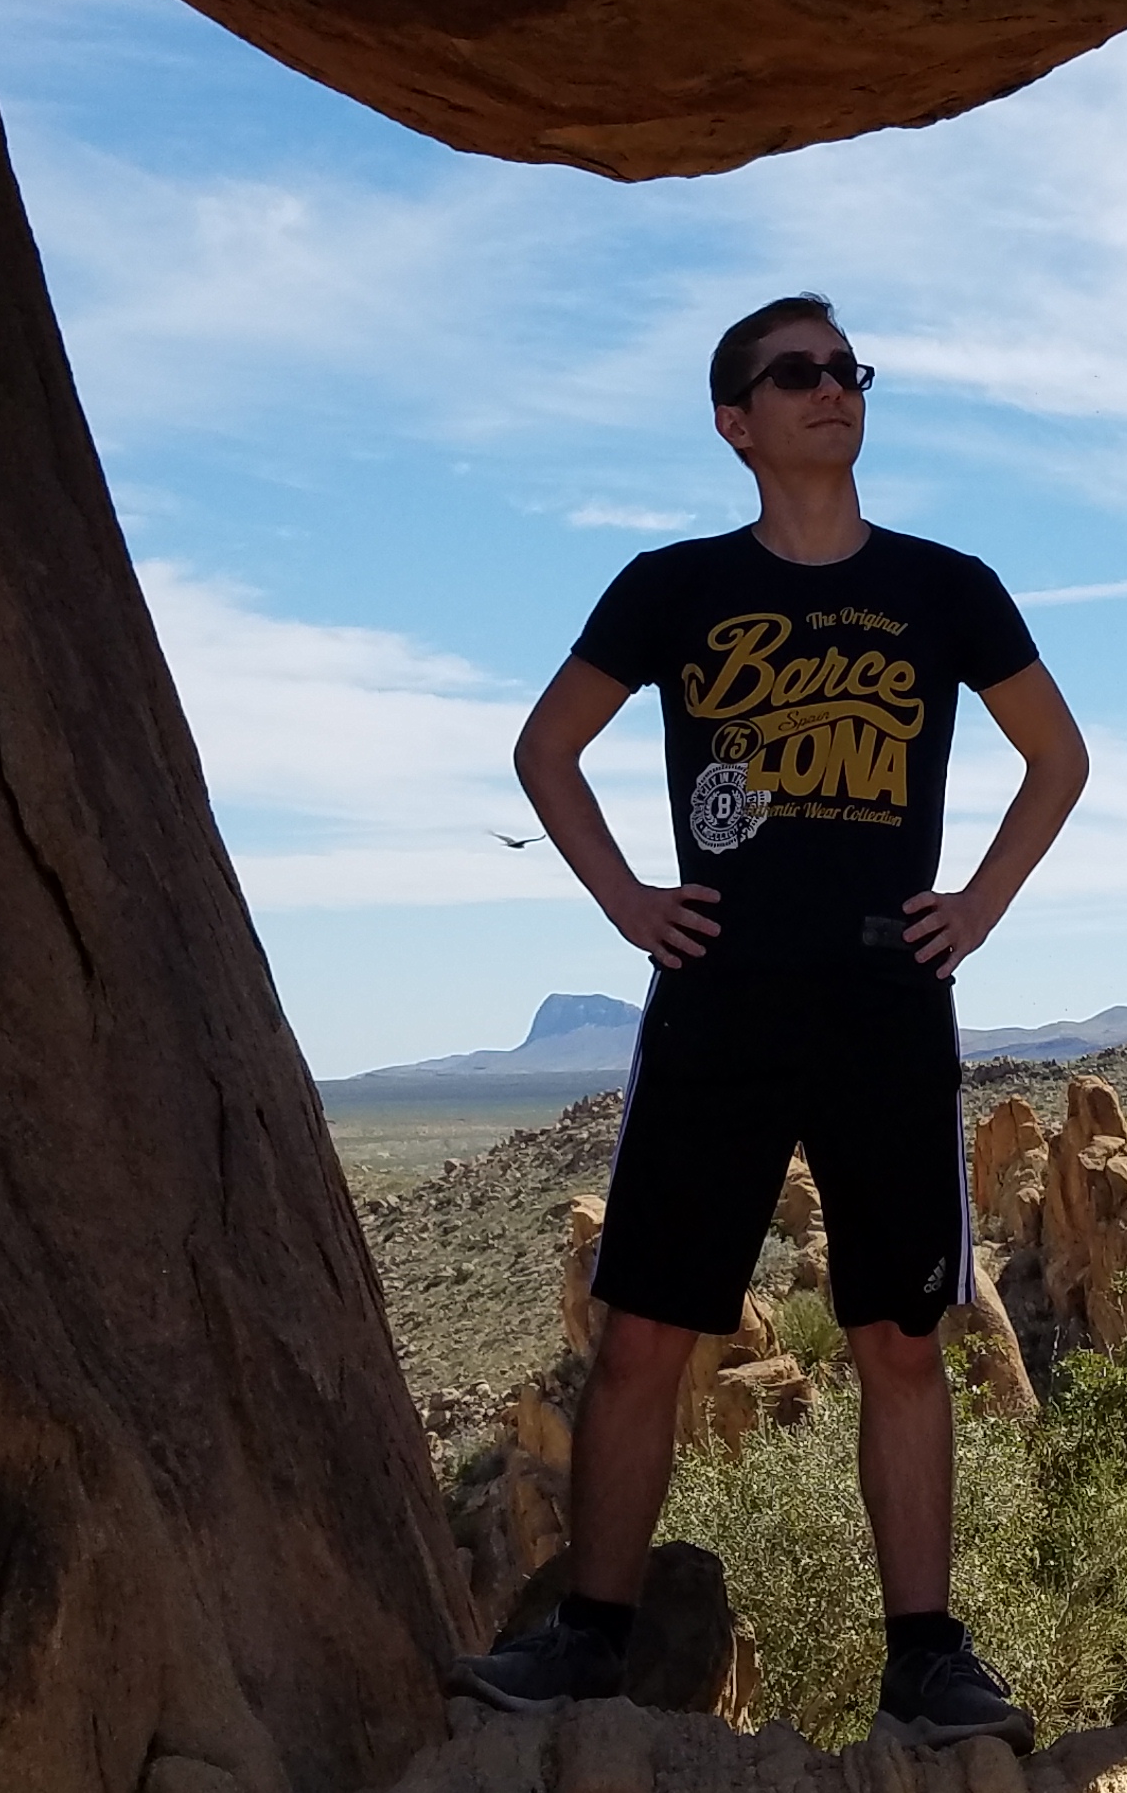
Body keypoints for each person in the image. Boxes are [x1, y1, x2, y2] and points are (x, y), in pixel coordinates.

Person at [446, 294, 1089, 1750]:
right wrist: (625, 903)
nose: (830, 389)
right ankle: (589, 1644)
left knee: (901, 1340)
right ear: (735, 421)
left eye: (846, 369)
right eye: (794, 374)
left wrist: (977, 905)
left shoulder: (950, 588)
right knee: (645, 1338)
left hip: (884, 999)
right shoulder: (671, 590)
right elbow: (548, 747)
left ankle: (923, 1658)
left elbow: (1058, 755)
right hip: (718, 1004)